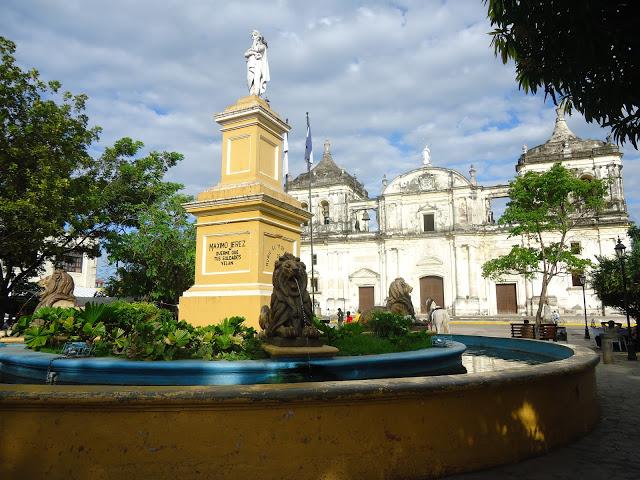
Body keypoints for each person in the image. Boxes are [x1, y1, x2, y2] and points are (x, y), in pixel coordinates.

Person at [244, 30, 270, 97]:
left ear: (259, 37)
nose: (253, 37)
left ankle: (256, 94)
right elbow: (245, 54)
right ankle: (251, 94)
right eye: (252, 36)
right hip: (250, 64)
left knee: (256, 78)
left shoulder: (263, 46)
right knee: (249, 79)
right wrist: (253, 53)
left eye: (254, 35)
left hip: (258, 64)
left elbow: (257, 49)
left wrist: (255, 42)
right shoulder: (251, 48)